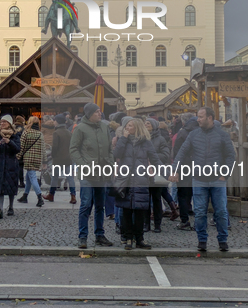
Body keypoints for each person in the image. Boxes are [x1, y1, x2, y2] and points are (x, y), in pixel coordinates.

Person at [170, 107, 236, 252]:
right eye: (197, 117)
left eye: (200, 117)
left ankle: (223, 240)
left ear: (210, 118)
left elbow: (231, 156)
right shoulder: (193, 135)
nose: (198, 119)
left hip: (217, 179)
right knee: (199, 212)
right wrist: (174, 169)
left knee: (220, 212)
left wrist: (225, 174)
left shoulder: (222, 135)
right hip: (199, 179)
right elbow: (181, 153)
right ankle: (202, 240)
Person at [114, 119, 164, 250]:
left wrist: (167, 173)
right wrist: (123, 138)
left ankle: (139, 238)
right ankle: (128, 238)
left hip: (141, 180)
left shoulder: (146, 143)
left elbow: (155, 160)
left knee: (140, 211)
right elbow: (116, 154)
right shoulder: (124, 141)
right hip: (126, 181)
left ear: (136, 128)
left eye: (130, 126)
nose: (127, 127)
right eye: (127, 125)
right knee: (126, 211)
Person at [70, 103, 114, 249]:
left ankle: (99, 235)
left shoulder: (104, 127)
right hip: (87, 173)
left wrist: (111, 162)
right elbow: (74, 149)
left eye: (99, 111)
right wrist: (83, 164)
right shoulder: (80, 128)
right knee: (85, 205)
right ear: (89, 114)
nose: (99, 113)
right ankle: (82, 237)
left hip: (102, 172)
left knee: (100, 205)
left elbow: (109, 149)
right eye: (96, 112)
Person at [143, 118, 178, 232]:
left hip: (157, 171)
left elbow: (165, 154)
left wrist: (152, 156)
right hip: (143, 171)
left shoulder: (160, 139)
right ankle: (146, 224)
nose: (146, 125)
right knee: (145, 200)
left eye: (148, 123)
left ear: (153, 125)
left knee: (156, 198)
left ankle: (157, 224)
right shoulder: (142, 138)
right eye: (145, 123)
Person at [0, 115, 21, 218]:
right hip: (0, 164)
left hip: (11, 164)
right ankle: (0, 208)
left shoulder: (15, 135)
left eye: (4, 122)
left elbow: (17, 149)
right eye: (1, 122)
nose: (2, 124)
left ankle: (11, 207)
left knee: (11, 186)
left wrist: (9, 142)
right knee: (0, 187)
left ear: (10, 124)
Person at [172, 112, 198, 230]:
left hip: (184, 167)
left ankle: (184, 220)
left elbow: (177, 152)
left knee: (183, 194)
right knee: (198, 193)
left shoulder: (182, 133)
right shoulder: (201, 132)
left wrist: (176, 169)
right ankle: (199, 221)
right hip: (199, 167)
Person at [43, 114, 76, 204]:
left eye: (54, 120)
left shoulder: (56, 133)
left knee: (54, 177)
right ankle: (73, 196)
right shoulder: (69, 132)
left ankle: (51, 195)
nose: (53, 122)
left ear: (57, 121)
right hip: (68, 158)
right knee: (70, 178)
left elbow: (55, 147)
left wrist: (53, 156)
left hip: (58, 159)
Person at [17, 116, 46, 207]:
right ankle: (25, 196)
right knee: (28, 177)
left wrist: (17, 157)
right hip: (37, 158)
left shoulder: (26, 132)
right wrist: (44, 160)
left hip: (28, 158)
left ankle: (39, 197)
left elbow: (21, 146)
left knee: (32, 177)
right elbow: (43, 148)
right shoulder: (40, 134)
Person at [14, 116, 26, 187]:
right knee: (20, 166)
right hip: (22, 149)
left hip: (14, 148)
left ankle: (15, 181)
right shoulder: (24, 129)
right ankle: (21, 182)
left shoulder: (13, 128)